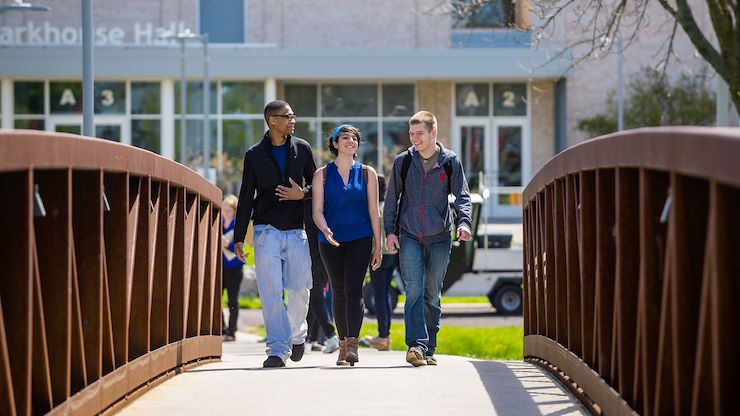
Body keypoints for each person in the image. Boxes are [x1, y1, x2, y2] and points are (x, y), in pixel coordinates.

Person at [383, 111, 472, 367]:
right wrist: (390, 231)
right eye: (411, 134)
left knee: (432, 293)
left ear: (433, 132)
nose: (414, 138)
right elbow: (392, 199)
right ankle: (416, 346)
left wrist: (464, 222)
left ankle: (429, 346)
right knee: (414, 290)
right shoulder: (404, 162)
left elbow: (462, 196)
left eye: (419, 133)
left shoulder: (449, 161)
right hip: (409, 234)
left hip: (441, 236)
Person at [234, 100, 316, 368]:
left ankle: (296, 334)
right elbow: (246, 196)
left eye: (293, 115)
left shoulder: (302, 149)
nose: (293, 120)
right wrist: (238, 237)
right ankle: (277, 349)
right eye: (288, 116)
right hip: (265, 230)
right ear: (272, 121)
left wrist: (301, 193)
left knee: (299, 289)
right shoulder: (254, 154)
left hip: (296, 230)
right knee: (270, 292)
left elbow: (318, 187)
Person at [312, 124, 382, 366]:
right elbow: (317, 211)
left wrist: (378, 245)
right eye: (345, 137)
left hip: (360, 238)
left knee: (354, 289)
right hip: (330, 239)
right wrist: (324, 228)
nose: (350, 141)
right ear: (334, 143)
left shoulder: (367, 173)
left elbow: (374, 212)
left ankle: (352, 345)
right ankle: (342, 345)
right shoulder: (321, 174)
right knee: (338, 290)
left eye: (354, 138)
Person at [364, 175, 398, 351]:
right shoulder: (389, 208)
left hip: (377, 254)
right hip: (391, 254)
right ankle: (386, 335)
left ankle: (382, 336)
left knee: (378, 296)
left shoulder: (374, 209)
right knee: (385, 295)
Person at [303, 200, 340, 353]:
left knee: (316, 300)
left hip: (315, 259)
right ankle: (309, 337)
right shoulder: (329, 204)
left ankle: (331, 336)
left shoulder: (309, 205)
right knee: (314, 299)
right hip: (325, 257)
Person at [221, 194, 245, 342]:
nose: (225, 213)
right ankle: (221, 328)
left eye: (228, 210)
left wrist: (227, 244)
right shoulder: (218, 223)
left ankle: (231, 331)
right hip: (220, 267)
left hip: (234, 267)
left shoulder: (237, 224)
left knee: (232, 301)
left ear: (234, 211)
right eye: (224, 209)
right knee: (217, 300)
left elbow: (241, 245)